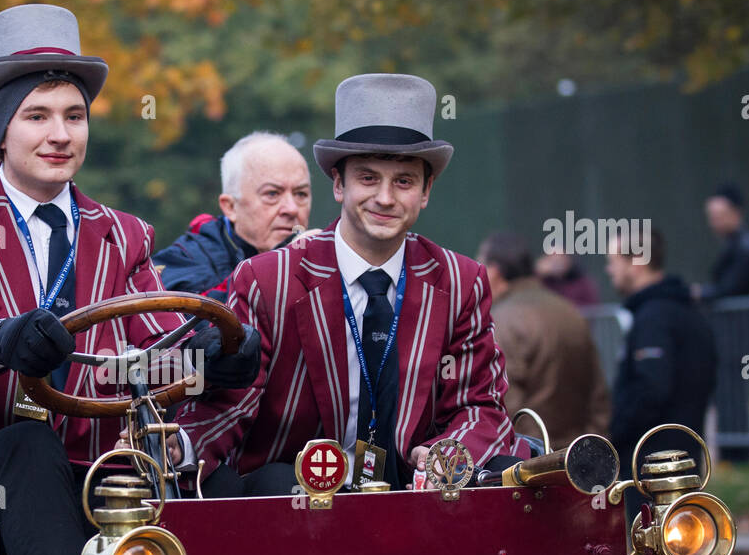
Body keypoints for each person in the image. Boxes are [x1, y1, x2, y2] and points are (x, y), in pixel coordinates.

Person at [0, 4, 259, 555]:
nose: (59, 134)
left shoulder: (123, 234)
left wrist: (207, 360)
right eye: (37, 116)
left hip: (98, 471)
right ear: (0, 130)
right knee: (29, 450)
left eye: (74, 116)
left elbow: (151, 354)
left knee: (213, 478)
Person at [177, 73, 530, 497]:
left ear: (426, 191)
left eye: (403, 181)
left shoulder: (460, 280)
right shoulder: (267, 279)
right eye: (368, 178)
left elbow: (480, 404)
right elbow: (231, 403)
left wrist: (448, 453)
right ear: (339, 184)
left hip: (416, 499)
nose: (385, 197)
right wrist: (178, 449)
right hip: (297, 501)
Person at [605, 227, 716, 555]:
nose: (609, 270)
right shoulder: (688, 313)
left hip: (652, 471)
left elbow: (652, 390)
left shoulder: (654, 318)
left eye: (613, 260)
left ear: (635, 261)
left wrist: (615, 440)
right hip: (686, 464)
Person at [478, 231, 610, 446]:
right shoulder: (570, 311)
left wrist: (535, 455)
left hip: (535, 464)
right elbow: (598, 394)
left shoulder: (502, 320)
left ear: (494, 272)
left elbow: (506, 402)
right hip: (578, 456)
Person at [155, 132, 312, 299]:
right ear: (230, 207)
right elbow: (184, 322)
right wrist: (275, 269)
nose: (292, 209)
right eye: (272, 194)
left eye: (301, 194)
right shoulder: (183, 262)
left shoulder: (324, 263)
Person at [696, 181, 749, 466]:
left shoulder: (744, 247)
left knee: (735, 396)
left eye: (719, 215)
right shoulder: (738, 245)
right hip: (735, 338)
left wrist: (701, 293)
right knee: (729, 396)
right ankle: (735, 456)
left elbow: (730, 287)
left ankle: (738, 456)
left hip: (740, 340)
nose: (714, 222)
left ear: (736, 212)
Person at [535, 247, 600, 308]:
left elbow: (591, 307)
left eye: (560, 258)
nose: (555, 265)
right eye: (551, 259)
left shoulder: (583, 282)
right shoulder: (542, 281)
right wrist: (537, 273)